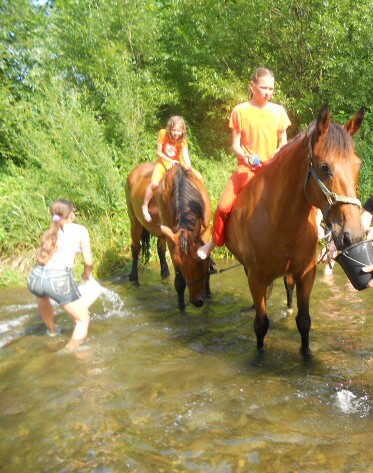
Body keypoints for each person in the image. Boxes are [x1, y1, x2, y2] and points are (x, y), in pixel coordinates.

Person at [198, 67, 291, 259]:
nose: (267, 93)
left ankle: (316, 227)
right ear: (252, 86)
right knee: (223, 208)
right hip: (247, 169)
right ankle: (214, 242)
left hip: (272, 169)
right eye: (264, 88)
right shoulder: (240, 111)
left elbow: (283, 142)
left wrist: (276, 153)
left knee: (300, 192)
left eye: (271, 89)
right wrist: (246, 156)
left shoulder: (278, 111)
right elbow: (235, 145)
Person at [27, 199, 93, 350]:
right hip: (57, 280)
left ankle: (52, 331)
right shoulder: (80, 230)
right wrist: (87, 273)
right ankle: (68, 352)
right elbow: (88, 261)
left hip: (36, 277)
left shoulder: (50, 231)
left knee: (43, 297)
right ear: (71, 214)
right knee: (83, 319)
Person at [142, 115, 192, 223]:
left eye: (178, 130)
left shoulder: (183, 140)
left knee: (197, 178)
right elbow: (158, 152)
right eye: (174, 130)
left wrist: (188, 165)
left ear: (182, 130)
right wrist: (169, 160)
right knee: (154, 183)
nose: (176, 133)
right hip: (163, 162)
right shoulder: (163, 134)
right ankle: (145, 206)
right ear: (170, 129)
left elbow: (186, 156)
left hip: (177, 163)